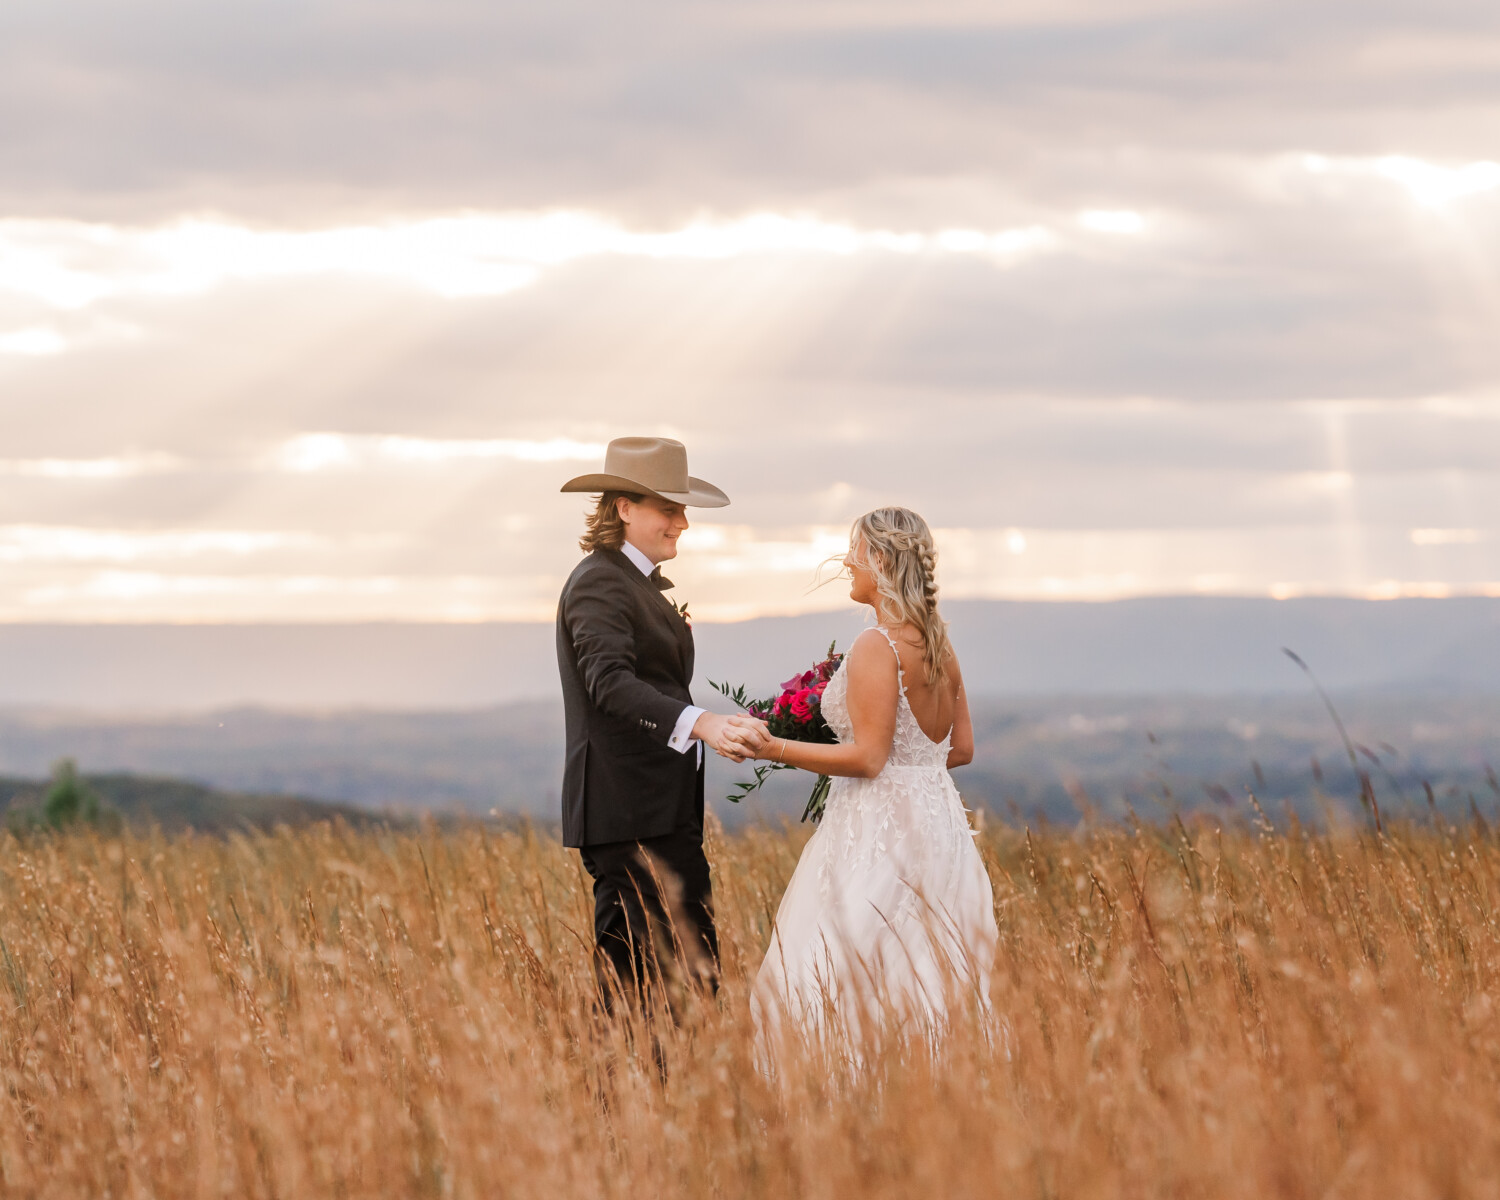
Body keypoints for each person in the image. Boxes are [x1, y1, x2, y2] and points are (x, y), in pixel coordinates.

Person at [725, 507, 998, 1063]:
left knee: (845, 963)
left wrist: (771, 746)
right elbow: (960, 749)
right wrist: (914, 780)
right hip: (940, 826)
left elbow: (869, 758)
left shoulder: (878, 645)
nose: (847, 562)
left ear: (880, 558)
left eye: (855, 550)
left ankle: (853, 1100)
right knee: (926, 968)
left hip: (878, 828)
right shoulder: (940, 645)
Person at [556, 436, 759, 1013]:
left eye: (682, 509)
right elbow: (609, 683)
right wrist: (702, 725)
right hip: (628, 818)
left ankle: (679, 1096)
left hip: (658, 815)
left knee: (688, 980)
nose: (683, 523)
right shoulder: (599, 580)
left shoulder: (633, 581)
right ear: (624, 507)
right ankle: (624, 1099)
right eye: (669, 509)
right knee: (633, 988)